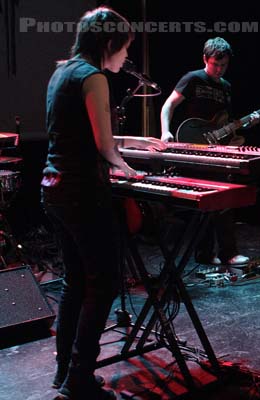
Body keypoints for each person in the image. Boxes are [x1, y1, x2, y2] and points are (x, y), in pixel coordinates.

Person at [42, 7, 166, 399]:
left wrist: (130, 144)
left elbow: (82, 133)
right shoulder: (93, 77)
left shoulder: (62, 71)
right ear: (109, 43)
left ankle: (65, 373)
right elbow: (102, 147)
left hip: (54, 187)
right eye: (126, 47)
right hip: (81, 192)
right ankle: (79, 379)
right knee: (105, 282)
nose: (127, 57)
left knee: (76, 283)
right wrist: (128, 167)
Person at [160, 37, 252, 265]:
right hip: (194, 145)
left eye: (224, 65)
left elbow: (224, 122)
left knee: (224, 200)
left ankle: (228, 253)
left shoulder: (226, 87)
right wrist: (165, 131)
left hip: (217, 148)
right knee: (203, 203)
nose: (219, 69)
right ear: (205, 59)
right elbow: (168, 106)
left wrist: (243, 126)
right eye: (215, 64)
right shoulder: (192, 79)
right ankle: (204, 254)